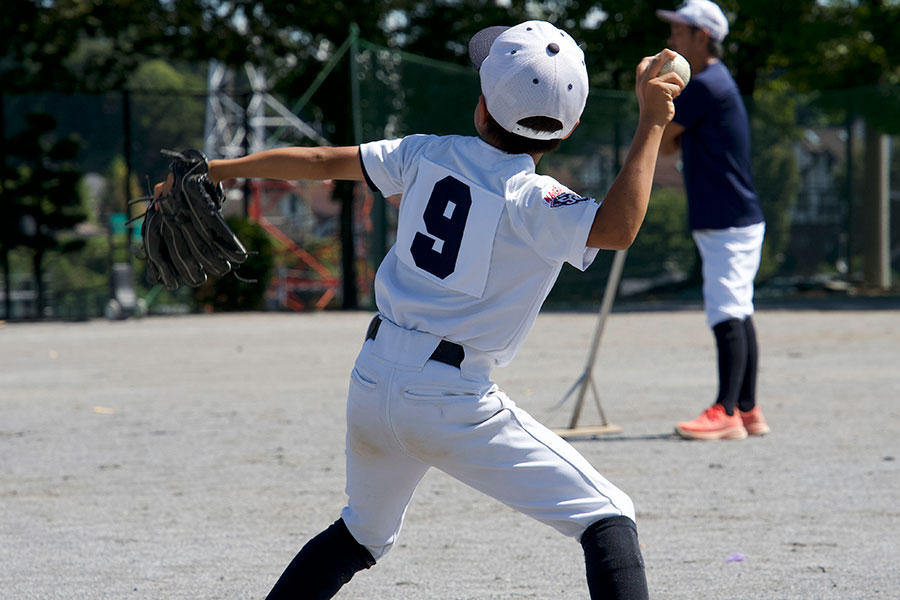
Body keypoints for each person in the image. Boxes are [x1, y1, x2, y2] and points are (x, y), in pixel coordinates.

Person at [156, 21, 683, 599]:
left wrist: (215, 170)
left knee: (361, 534)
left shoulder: (424, 152)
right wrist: (652, 122)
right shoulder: (533, 197)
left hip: (373, 376)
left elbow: (321, 159)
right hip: (451, 399)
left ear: (481, 106)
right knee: (608, 516)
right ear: (571, 127)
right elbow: (618, 227)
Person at [655, 0, 769, 441]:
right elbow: (669, 144)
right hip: (732, 217)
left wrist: (653, 97)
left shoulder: (705, 86)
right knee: (738, 308)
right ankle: (747, 409)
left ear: (702, 37)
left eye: (679, 31)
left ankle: (726, 411)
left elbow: (662, 138)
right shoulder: (714, 82)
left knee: (726, 310)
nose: (671, 39)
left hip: (726, 220)